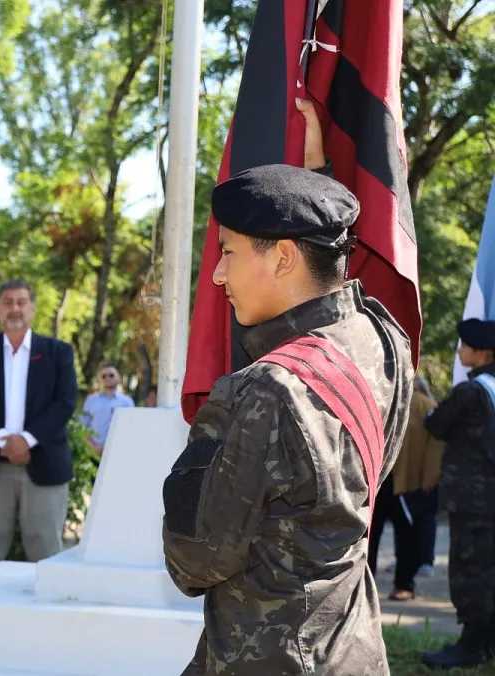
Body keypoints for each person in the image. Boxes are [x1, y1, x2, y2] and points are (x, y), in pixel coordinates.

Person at [161, 101, 414, 676]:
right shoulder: (385, 342)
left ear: (281, 258)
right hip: (351, 649)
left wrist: (205, 442)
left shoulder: (265, 391)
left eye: (227, 252)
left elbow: (193, 560)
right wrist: (317, 181)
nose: (218, 274)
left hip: (269, 658)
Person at [0, 281, 79, 571]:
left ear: (33, 309)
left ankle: (46, 618)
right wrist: (4, 441)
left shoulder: (57, 352)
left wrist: (26, 440)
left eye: (22, 302)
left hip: (44, 465)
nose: (15, 309)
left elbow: (64, 402)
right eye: (8, 302)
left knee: (47, 555)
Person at [420, 318, 495, 669]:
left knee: (470, 569)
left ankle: (472, 645)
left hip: (473, 501)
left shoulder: (472, 391)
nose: (460, 351)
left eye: (465, 346)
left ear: (482, 353)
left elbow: (436, 424)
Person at [369, 375, 442, 602]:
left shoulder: (424, 405)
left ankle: (404, 584)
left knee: (407, 535)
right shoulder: (381, 398)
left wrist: (430, 475)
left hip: (407, 480)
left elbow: (437, 442)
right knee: (370, 534)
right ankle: (364, 582)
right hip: (380, 479)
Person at [80, 364, 134, 457]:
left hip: (119, 453)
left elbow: (131, 429)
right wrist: (95, 447)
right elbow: (83, 427)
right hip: (93, 454)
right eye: (103, 376)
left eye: (111, 375)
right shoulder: (91, 400)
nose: (107, 378)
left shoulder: (127, 402)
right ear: (99, 380)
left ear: (118, 378)